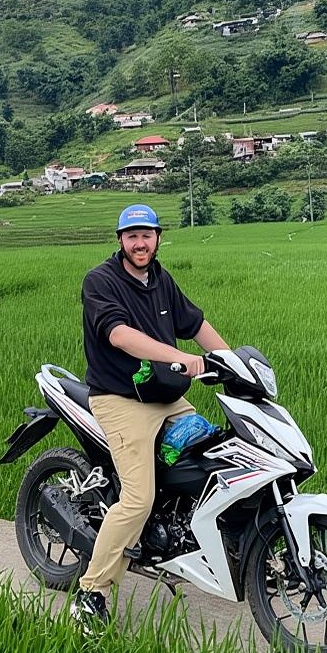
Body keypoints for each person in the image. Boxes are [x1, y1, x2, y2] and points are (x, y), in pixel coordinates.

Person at [70, 204, 230, 630]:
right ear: (120, 240)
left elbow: (196, 324)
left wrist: (234, 364)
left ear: (159, 238)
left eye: (147, 235)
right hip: (121, 400)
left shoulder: (161, 280)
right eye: (132, 236)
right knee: (138, 498)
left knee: (215, 462)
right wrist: (180, 357)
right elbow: (119, 334)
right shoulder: (100, 281)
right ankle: (91, 593)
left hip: (167, 397)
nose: (140, 243)